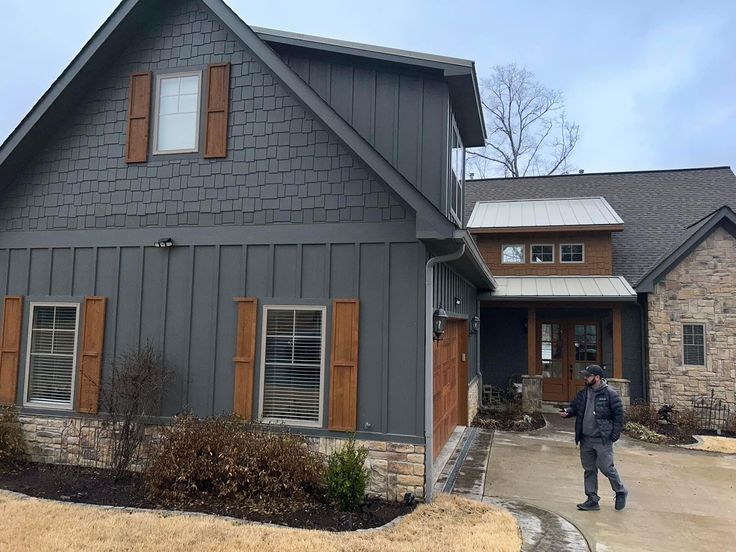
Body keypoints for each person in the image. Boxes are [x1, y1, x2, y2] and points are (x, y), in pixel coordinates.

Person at [560, 364, 627, 511]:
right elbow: (576, 407)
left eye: (588, 376)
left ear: (597, 378)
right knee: (589, 469)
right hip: (586, 438)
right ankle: (592, 499)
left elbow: (619, 415)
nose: (585, 378)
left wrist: (614, 434)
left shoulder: (610, 394)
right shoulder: (584, 393)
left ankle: (620, 491)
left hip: (602, 438)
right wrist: (568, 411)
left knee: (606, 468)